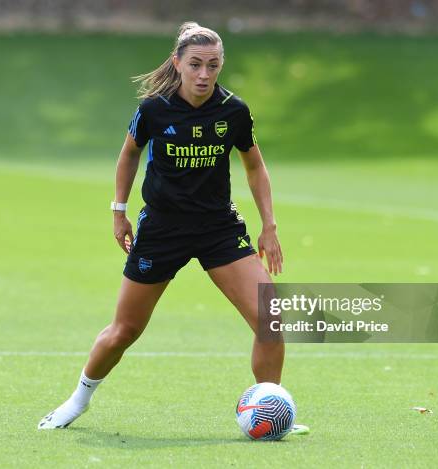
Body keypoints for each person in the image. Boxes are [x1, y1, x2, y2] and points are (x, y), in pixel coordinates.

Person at [38, 21, 303, 434]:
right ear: (177, 63)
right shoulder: (154, 110)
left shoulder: (234, 110)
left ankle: (270, 407)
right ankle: (78, 400)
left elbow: (255, 165)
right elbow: (129, 155)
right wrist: (118, 210)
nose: (204, 74)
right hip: (162, 230)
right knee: (125, 330)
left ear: (221, 66)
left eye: (212, 66)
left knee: (271, 319)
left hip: (218, 228)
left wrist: (269, 226)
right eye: (195, 64)